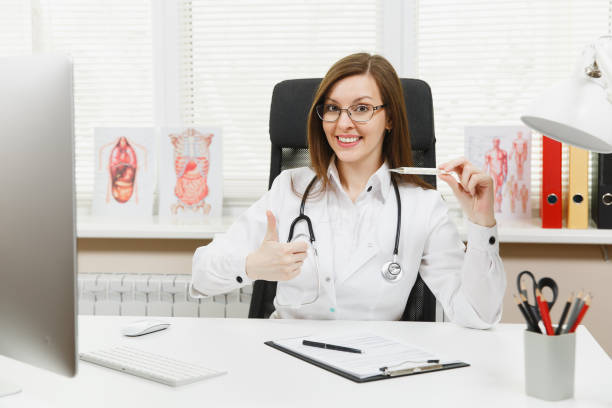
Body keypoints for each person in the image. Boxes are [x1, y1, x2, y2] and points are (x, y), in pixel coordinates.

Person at [189, 53, 505, 329]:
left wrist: (482, 226)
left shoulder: (423, 205)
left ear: (390, 118)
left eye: (361, 108)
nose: (343, 123)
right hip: (289, 361)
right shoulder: (290, 188)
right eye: (333, 108)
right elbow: (202, 274)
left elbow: (478, 314)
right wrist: (252, 266)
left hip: (375, 365)